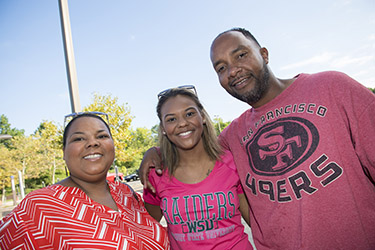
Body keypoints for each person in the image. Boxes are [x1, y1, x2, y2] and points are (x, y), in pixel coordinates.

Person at [139, 28, 375, 249]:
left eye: (241, 55)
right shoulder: (233, 135)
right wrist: (155, 153)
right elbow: (191, 148)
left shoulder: (332, 86)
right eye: (221, 68)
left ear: (264, 54)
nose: (232, 71)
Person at [0, 112, 170, 250]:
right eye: (79, 138)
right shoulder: (40, 206)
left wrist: (156, 151)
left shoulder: (126, 193)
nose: (92, 143)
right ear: (64, 151)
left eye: (102, 136)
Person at [142, 86, 253, 249]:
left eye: (189, 114)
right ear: (163, 129)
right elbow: (148, 231)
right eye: (171, 119)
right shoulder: (156, 174)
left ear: (202, 117)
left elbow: (256, 222)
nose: (182, 123)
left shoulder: (231, 161)